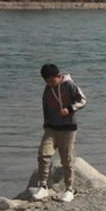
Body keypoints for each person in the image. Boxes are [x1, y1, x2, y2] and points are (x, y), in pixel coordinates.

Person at [32, 64, 87, 202]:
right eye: (46, 81)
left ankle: (69, 189)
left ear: (58, 76)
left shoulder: (70, 85)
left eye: (51, 80)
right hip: (51, 128)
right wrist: (45, 124)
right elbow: (45, 106)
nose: (49, 83)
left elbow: (82, 100)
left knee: (66, 160)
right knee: (43, 155)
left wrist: (70, 109)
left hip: (68, 129)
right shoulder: (48, 89)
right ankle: (43, 186)